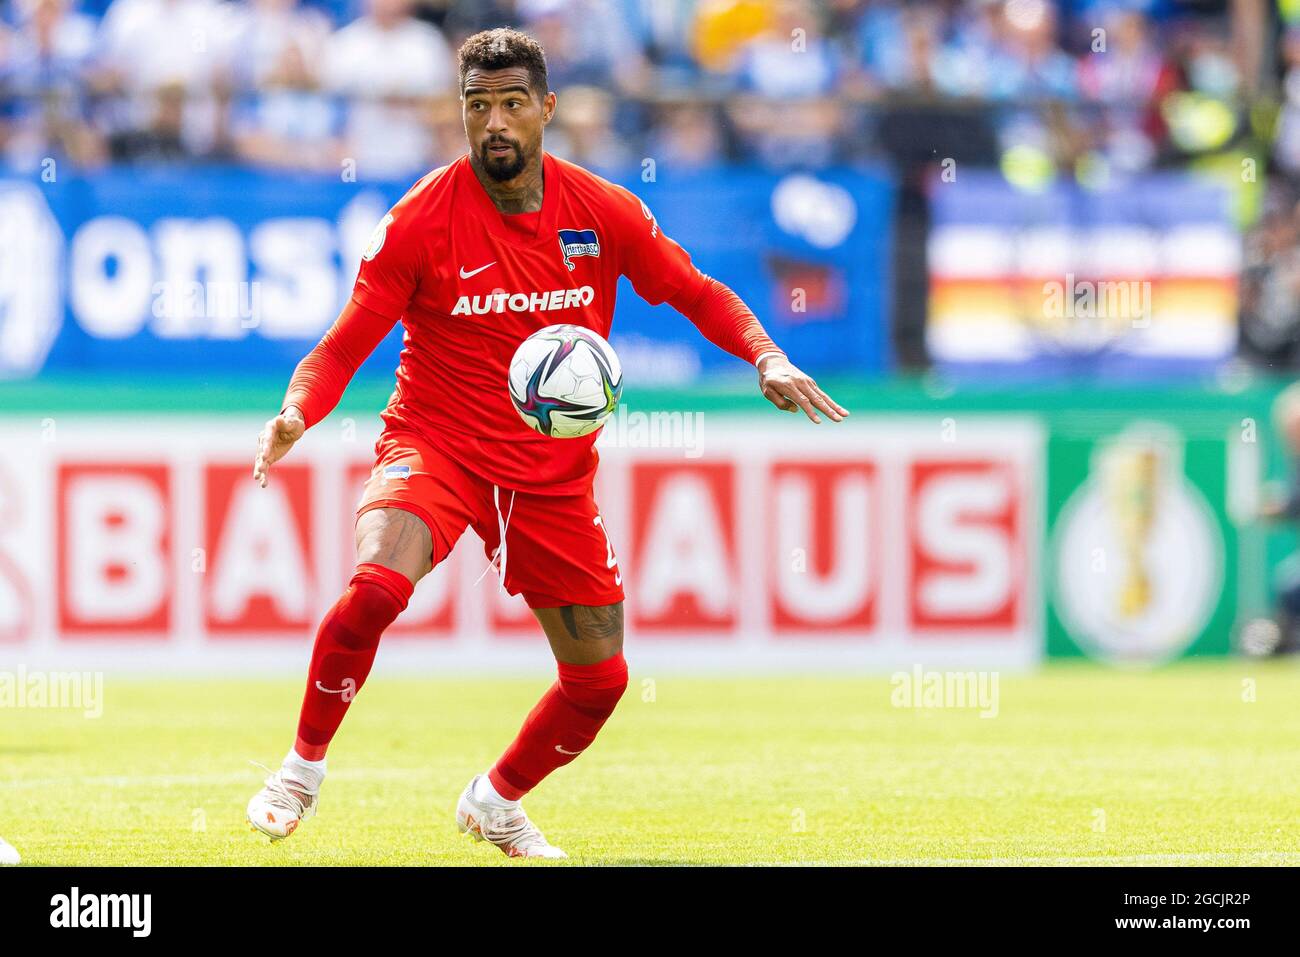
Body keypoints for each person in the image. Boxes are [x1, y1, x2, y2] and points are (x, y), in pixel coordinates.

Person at [246, 27, 847, 858]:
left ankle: (494, 800)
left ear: (547, 110)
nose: (494, 123)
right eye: (477, 105)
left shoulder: (603, 212)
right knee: (376, 587)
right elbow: (346, 341)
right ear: (460, 113)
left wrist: (766, 355)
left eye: (512, 104)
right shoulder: (419, 221)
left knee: (600, 680)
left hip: (551, 477)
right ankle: (300, 770)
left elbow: (694, 290)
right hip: (438, 446)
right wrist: (298, 411)